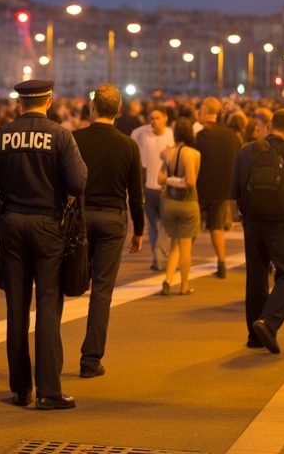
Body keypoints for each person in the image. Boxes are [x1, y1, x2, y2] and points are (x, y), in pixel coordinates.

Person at [0, 79, 87, 410]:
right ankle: (49, 390)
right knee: (48, 306)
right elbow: (78, 181)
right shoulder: (61, 135)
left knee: (16, 309)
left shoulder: (1, 136)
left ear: (20, 102)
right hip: (47, 226)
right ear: (49, 100)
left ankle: (20, 388)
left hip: (10, 225)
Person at [72, 85, 144, 378]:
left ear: (92, 108)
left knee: (68, 281)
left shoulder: (75, 139)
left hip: (80, 218)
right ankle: (90, 359)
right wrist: (138, 230)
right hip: (114, 220)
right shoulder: (128, 145)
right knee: (102, 292)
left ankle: (50, 353)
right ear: (118, 111)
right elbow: (135, 194)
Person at [232, 109, 284, 354]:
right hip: (281, 223)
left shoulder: (246, 151)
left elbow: (235, 190)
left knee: (256, 276)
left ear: (268, 125)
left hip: (253, 222)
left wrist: (243, 219)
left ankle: (253, 336)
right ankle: (269, 321)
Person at [195, 97, 241, 278]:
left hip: (202, 188)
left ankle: (182, 262)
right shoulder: (231, 135)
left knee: (190, 230)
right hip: (223, 189)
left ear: (206, 111)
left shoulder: (202, 135)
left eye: (200, 110)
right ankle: (221, 263)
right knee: (217, 228)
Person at [159, 117, 200, 295]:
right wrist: (179, 180)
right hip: (188, 203)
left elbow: (159, 179)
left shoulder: (166, 153)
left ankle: (168, 279)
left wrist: (169, 180)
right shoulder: (193, 154)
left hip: (169, 203)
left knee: (174, 244)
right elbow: (190, 182)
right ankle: (184, 285)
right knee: (186, 246)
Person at [131, 107, 174, 271]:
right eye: (151, 118)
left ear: (165, 118)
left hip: (165, 189)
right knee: (152, 226)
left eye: (157, 118)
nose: (153, 121)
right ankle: (159, 258)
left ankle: (160, 256)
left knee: (165, 225)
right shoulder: (141, 134)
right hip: (148, 188)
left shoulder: (171, 134)